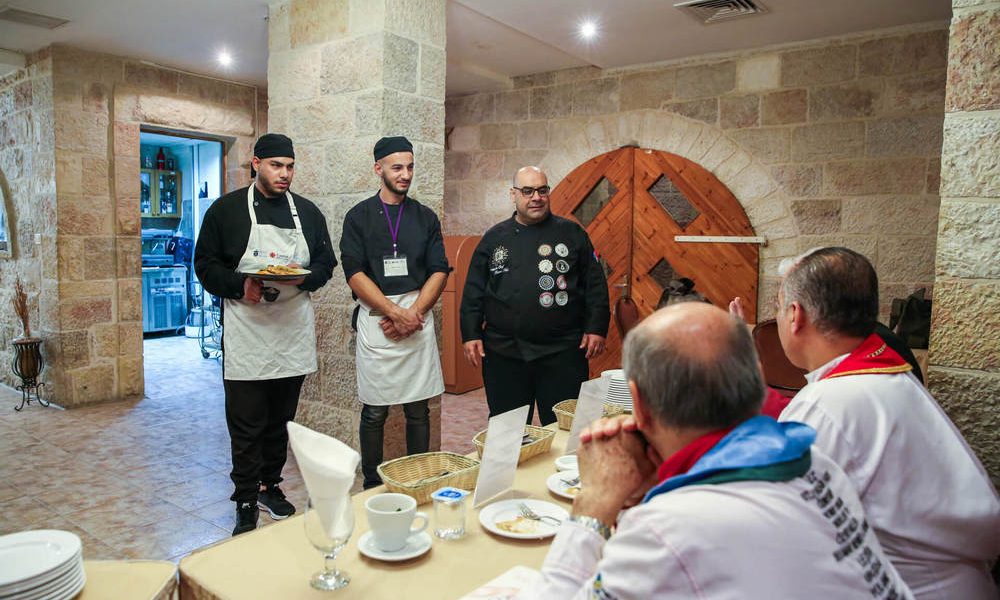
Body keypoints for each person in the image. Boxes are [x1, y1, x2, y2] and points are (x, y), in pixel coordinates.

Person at [529, 303, 914, 599]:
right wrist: (657, 486)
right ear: (759, 378)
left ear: (638, 404)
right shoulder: (816, 462)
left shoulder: (667, 532)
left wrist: (595, 503)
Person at [774, 247, 1000, 599]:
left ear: (794, 315)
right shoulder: (888, 375)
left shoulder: (827, 404)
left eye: (777, 306)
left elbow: (784, 531)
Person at [194, 133, 337, 535]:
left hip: (291, 329)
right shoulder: (226, 211)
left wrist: (306, 278)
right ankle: (244, 499)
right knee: (246, 424)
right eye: (276, 166)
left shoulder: (307, 212)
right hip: (247, 331)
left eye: (290, 167)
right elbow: (204, 265)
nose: (284, 174)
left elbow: (326, 261)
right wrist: (241, 286)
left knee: (280, 419)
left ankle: (270, 487)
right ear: (256, 164)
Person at [339, 136, 450, 490]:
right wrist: (394, 313)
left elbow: (439, 270)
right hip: (377, 319)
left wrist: (412, 313)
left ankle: (418, 477)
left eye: (410, 167)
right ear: (379, 169)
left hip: (417, 316)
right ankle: (372, 483)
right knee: (375, 411)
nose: (405, 174)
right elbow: (354, 273)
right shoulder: (358, 217)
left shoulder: (425, 216)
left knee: (418, 409)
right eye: (397, 167)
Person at [460, 166, 610, 425]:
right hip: (504, 352)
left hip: (562, 351)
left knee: (565, 426)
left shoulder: (572, 234)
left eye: (542, 190)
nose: (536, 197)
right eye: (527, 191)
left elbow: (595, 285)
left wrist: (596, 327)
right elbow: (474, 289)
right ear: (513, 194)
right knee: (507, 429)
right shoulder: (494, 238)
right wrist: (471, 333)